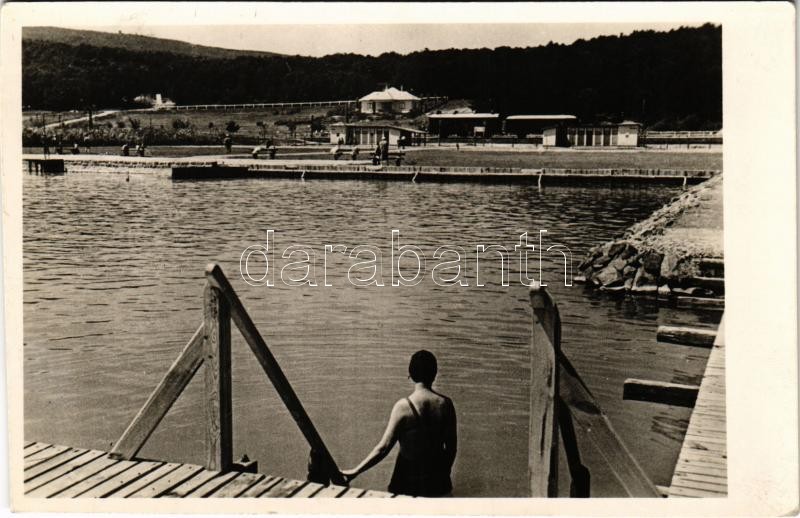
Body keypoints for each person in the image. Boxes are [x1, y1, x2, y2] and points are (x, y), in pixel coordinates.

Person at [340, 350, 457, 497]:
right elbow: (451, 448)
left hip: (407, 479)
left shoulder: (403, 407)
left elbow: (383, 448)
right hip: (437, 479)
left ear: (410, 375)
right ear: (434, 374)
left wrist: (355, 471)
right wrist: (443, 475)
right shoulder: (445, 404)